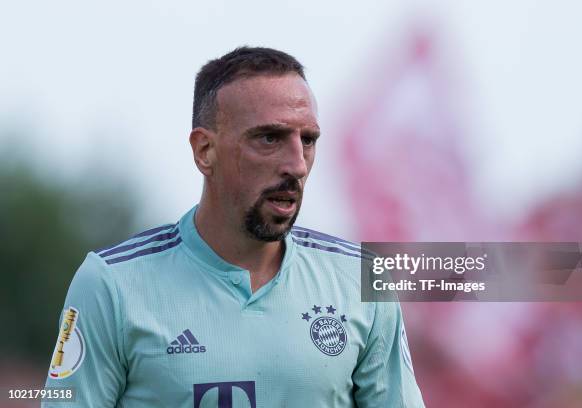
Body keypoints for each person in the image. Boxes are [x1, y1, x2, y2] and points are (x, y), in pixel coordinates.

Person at [43, 46, 425, 407]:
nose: (297, 164)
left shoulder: (361, 278)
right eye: (269, 138)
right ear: (204, 151)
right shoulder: (111, 283)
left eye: (307, 140)